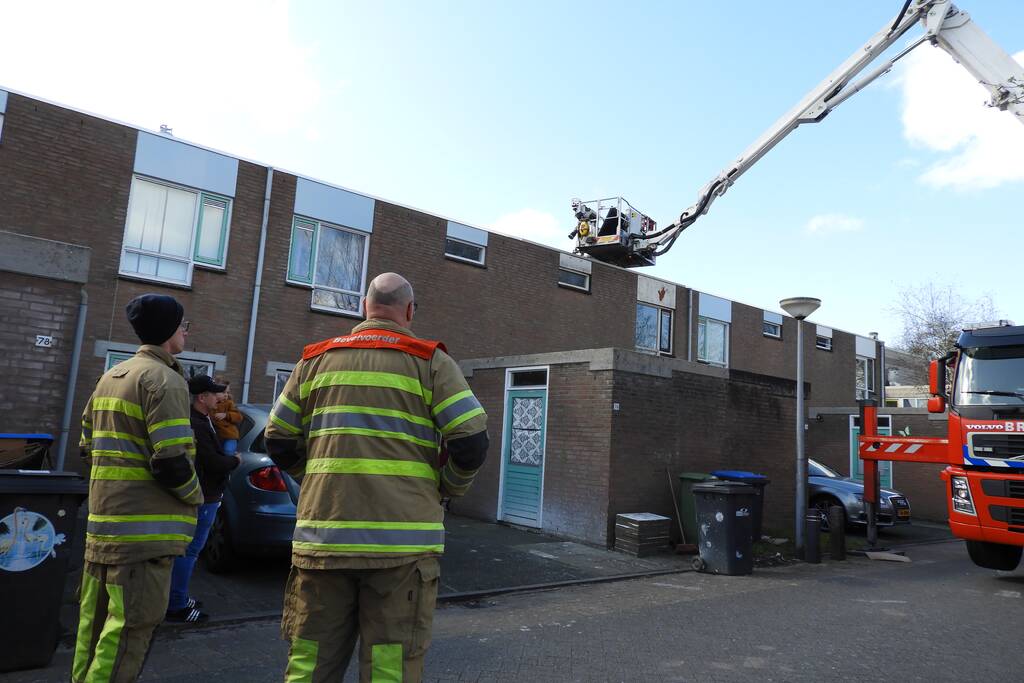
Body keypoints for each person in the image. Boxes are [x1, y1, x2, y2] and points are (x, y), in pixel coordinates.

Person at [265, 272, 489, 682]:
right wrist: (448, 488)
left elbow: (277, 439)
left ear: (364, 308)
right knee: (389, 666)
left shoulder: (313, 362)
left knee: (310, 662)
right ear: (409, 311)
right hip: (401, 548)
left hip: (323, 540)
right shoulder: (430, 362)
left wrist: (315, 476)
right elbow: (471, 439)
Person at [73, 294, 203, 683]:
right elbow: (171, 461)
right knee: (128, 632)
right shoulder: (165, 380)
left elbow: (85, 446)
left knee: (92, 631)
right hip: (143, 543)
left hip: (103, 531)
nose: (185, 331)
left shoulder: (110, 377)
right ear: (167, 331)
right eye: (182, 324)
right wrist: (195, 496)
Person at [166, 374, 241, 623]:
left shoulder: (202, 419)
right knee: (190, 550)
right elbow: (212, 462)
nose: (219, 396)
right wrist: (235, 461)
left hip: (206, 493)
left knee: (188, 549)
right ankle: (176, 605)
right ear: (202, 397)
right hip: (204, 495)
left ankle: (178, 596)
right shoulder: (198, 424)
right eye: (214, 393)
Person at [211, 377, 242, 455]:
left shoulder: (229, 403)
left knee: (228, 452)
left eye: (227, 392)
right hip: (217, 436)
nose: (226, 395)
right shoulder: (210, 404)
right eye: (223, 392)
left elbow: (239, 416)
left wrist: (226, 415)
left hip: (230, 436)